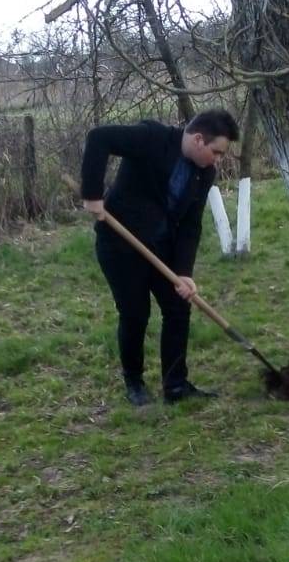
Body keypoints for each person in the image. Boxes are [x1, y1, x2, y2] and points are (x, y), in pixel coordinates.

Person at [81, 108, 240, 405]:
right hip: (121, 245)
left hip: (161, 246)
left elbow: (191, 224)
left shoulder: (204, 173)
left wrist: (184, 272)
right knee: (135, 313)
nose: (218, 160)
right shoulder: (152, 138)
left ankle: (175, 385)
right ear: (197, 140)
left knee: (179, 306)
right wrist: (92, 195)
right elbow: (98, 138)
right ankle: (135, 383)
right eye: (217, 152)